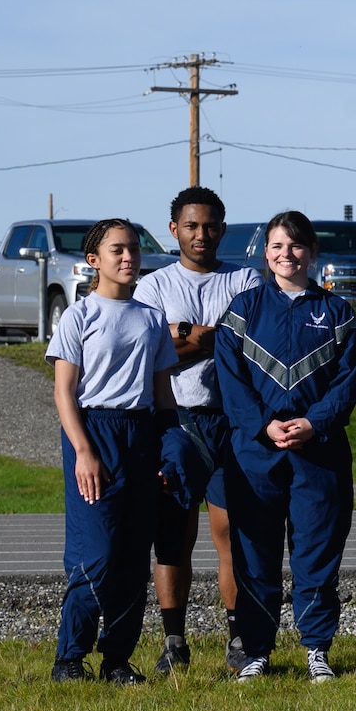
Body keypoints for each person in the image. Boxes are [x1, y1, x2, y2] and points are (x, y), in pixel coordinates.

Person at [217, 211, 356, 682]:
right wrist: (265, 427)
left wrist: (313, 422)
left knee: (317, 553)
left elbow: (347, 383)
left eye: (297, 246)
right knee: (255, 552)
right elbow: (231, 380)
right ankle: (256, 649)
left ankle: (316, 649)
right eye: (279, 246)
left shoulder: (338, 313)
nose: (288, 255)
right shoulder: (241, 311)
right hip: (255, 453)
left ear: (312, 253)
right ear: (266, 252)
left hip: (317, 453)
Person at [132, 186, 261, 675]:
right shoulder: (155, 285)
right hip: (176, 418)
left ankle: (237, 638)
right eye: (191, 226)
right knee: (174, 534)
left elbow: (249, 345)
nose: (201, 234)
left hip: (232, 418)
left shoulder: (246, 279)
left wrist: (188, 335)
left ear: (223, 230)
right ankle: (174, 640)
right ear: (174, 230)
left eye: (210, 226)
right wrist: (214, 337)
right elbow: (152, 350)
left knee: (231, 532)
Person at [46, 218, 180, 684]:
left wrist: (171, 449)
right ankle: (69, 659)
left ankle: (117, 660)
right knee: (96, 554)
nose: (128, 258)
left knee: (130, 556)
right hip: (93, 431)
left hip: (140, 434)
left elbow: (163, 394)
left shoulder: (151, 317)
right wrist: (83, 450)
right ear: (93, 260)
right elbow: (64, 391)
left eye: (134, 250)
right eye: (118, 250)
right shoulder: (78, 317)